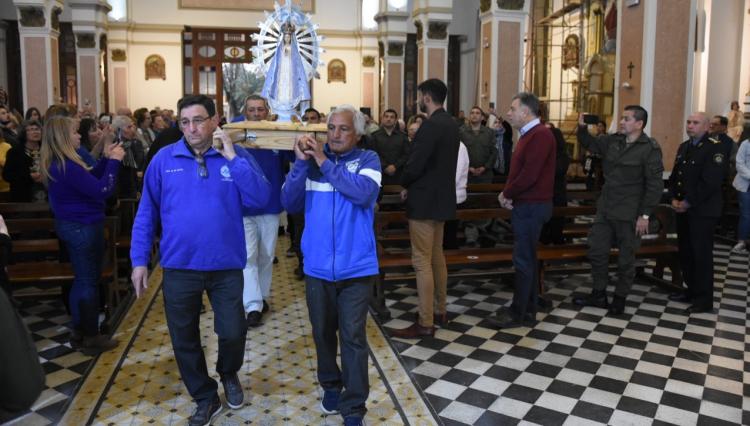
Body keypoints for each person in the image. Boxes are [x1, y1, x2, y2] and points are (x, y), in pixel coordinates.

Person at [130, 95, 271, 425]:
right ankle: (205, 396)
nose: (191, 128)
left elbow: (261, 198)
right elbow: (146, 212)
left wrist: (233, 157)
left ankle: (228, 373)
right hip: (180, 267)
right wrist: (139, 260)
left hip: (225, 266)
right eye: (185, 122)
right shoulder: (164, 160)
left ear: (215, 120)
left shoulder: (235, 157)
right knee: (184, 338)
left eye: (198, 120)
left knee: (233, 330)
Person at [281, 104, 380, 426]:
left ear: (359, 133)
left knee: (352, 337)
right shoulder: (310, 164)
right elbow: (290, 203)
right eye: (331, 128)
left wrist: (323, 162)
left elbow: (363, 195)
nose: (335, 135)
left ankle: (353, 407)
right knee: (323, 334)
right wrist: (299, 164)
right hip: (318, 267)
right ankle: (331, 385)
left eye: (343, 129)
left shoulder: (368, 161)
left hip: (356, 269)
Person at [40, 116, 125, 353]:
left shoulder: (62, 162)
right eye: (76, 133)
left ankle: (80, 330)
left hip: (74, 226)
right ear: (64, 138)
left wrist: (105, 159)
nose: (80, 136)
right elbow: (102, 190)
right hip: (82, 228)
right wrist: (115, 162)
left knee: (82, 280)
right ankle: (91, 336)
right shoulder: (66, 165)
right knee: (88, 281)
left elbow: (90, 180)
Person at [572, 106, 664, 314]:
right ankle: (598, 293)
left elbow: (655, 185)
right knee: (597, 251)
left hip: (630, 213)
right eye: (621, 118)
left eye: (626, 119)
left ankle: (620, 298)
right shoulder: (613, 141)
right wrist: (581, 126)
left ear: (639, 124)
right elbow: (589, 143)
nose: (621, 122)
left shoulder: (649, 148)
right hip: (606, 208)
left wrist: (645, 215)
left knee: (626, 259)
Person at [388, 79, 459, 338]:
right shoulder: (451, 124)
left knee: (421, 262)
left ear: (426, 97)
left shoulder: (430, 126)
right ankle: (440, 310)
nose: (418, 100)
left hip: (425, 201)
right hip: (442, 200)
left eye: (420, 96)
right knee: (436, 257)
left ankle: (425, 321)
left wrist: (404, 182)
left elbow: (416, 164)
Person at [488, 92, 556, 328]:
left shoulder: (541, 135)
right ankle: (526, 309)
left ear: (526, 112)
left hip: (532, 206)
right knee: (525, 259)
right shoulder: (530, 135)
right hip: (526, 204)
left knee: (524, 260)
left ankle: (521, 313)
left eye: (512, 109)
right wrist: (508, 193)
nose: (508, 113)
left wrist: (507, 194)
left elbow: (529, 174)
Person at [234, 95, 293, 327]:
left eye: (260, 110)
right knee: (248, 256)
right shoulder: (236, 133)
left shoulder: (275, 133)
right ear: (245, 112)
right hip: (243, 206)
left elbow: (292, 154)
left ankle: (262, 297)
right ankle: (252, 306)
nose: (256, 114)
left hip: (270, 204)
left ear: (267, 111)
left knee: (266, 255)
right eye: (252, 110)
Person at [667, 112, 726, 314]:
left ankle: (704, 299)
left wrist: (688, 202)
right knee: (686, 252)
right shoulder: (684, 147)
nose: (690, 126)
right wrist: (673, 197)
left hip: (702, 211)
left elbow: (710, 182)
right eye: (688, 122)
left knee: (701, 255)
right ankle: (690, 290)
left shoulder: (714, 148)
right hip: (683, 208)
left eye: (695, 123)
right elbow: (676, 177)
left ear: (707, 126)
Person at [261, 21, 310, 120]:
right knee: (281, 85)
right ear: (282, 38)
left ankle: (288, 102)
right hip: (281, 73)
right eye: (285, 37)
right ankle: (279, 103)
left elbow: (298, 67)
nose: (287, 39)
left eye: (288, 37)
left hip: (291, 75)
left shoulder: (294, 51)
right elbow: (275, 66)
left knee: (289, 86)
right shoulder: (279, 50)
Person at [3, 120, 45, 202]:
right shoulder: (15, 152)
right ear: (24, 133)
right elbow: (7, 175)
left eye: (37, 129)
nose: (35, 132)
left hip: (46, 194)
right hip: (23, 196)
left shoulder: (47, 150)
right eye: (31, 129)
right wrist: (29, 176)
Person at [367, 109, 410, 186]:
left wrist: (395, 166)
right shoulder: (374, 136)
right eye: (386, 116)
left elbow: (406, 154)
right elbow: (373, 153)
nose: (388, 119)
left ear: (395, 120)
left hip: (398, 174)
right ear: (382, 119)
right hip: (380, 173)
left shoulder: (403, 136)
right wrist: (385, 167)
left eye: (391, 117)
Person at [733, 138, 750, 254]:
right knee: (746, 215)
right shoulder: (746, 143)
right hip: (745, 184)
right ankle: (742, 241)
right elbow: (739, 163)